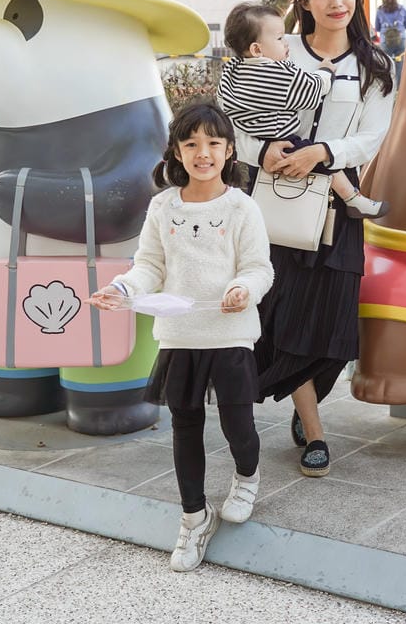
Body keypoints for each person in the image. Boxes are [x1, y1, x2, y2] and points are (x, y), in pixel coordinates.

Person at [88, 101, 273, 573]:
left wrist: (243, 289)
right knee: (185, 427)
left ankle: (247, 477)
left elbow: (259, 268)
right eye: (191, 144)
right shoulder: (163, 206)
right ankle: (194, 516)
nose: (202, 153)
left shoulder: (242, 207)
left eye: (213, 143)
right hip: (179, 336)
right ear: (176, 150)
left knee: (237, 424)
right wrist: (123, 289)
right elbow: (149, 265)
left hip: (230, 334)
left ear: (229, 150)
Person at [233, 0, 395, 478]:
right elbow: (240, 121)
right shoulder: (280, 52)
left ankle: (304, 400)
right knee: (286, 322)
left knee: (334, 331)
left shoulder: (375, 67)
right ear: (303, 2)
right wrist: (264, 153)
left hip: (336, 209)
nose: (336, 1)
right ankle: (315, 429)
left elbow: (372, 137)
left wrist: (323, 152)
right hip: (279, 205)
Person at [218, 1, 387, 219]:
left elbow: (224, 108)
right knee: (324, 161)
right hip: (283, 140)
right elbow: (311, 92)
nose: (286, 42)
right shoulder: (277, 75)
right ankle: (353, 199)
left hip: (257, 145)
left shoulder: (232, 71)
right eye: (280, 38)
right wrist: (325, 72)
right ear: (257, 49)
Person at [375, 0, 406, 86]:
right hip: (400, 39)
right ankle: (398, 88)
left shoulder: (380, 11)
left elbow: (377, 28)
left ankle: (388, 86)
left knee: (386, 64)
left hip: (385, 41)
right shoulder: (402, 9)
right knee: (400, 64)